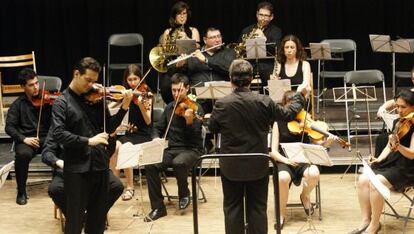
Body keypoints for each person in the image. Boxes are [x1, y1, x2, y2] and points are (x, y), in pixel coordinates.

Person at [209, 59, 307, 234]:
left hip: (231, 166)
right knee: (257, 208)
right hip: (257, 164)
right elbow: (288, 113)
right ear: (252, 79)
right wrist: (299, 95)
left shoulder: (221, 104)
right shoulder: (264, 101)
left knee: (232, 209)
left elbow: (212, 128)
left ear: (231, 79)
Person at [50, 57, 133, 234]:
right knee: (75, 221)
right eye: (88, 80)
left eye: (95, 81)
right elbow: (58, 133)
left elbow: (109, 127)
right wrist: (88, 141)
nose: (92, 85)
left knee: (97, 220)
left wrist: (124, 107)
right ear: (76, 74)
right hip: (77, 170)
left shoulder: (97, 99)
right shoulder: (61, 102)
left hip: (100, 166)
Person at [349, 89, 414, 234]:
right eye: (397, 106)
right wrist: (379, 158)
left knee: (376, 182)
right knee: (363, 179)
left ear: (413, 107)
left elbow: (411, 155)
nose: (399, 110)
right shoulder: (399, 121)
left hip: (407, 168)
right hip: (393, 163)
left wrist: (399, 147)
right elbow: (389, 145)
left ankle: (374, 224)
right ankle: (365, 220)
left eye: (403, 107)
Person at [144, 73, 204, 222]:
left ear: (187, 89)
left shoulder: (195, 107)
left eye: (180, 90)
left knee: (179, 163)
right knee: (150, 164)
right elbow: (157, 127)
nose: (176, 94)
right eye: (173, 90)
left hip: (192, 149)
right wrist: (156, 138)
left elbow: (197, 136)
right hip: (172, 149)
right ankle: (158, 207)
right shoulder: (170, 107)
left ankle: (184, 194)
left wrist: (190, 122)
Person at [270, 90, 334, 228]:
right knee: (282, 178)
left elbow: (319, 145)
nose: (296, 110)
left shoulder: (306, 121)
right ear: (285, 105)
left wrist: (328, 141)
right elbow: (273, 152)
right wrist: (286, 161)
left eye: (298, 107)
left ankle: (305, 196)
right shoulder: (278, 123)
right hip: (284, 160)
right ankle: (281, 215)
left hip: (304, 159)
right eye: (291, 106)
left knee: (314, 173)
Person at [41, 130, 123, 217]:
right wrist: (58, 161)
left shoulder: (95, 123)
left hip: (95, 168)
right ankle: (75, 216)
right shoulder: (59, 126)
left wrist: (112, 138)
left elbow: (108, 152)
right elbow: (47, 152)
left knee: (116, 186)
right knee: (55, 190)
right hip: (68, 170)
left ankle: (94, 215)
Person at [5, 68, 52, 205]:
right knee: (22, 155)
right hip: (27, 140)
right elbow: (9, 127)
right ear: (22, 87)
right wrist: (24, 139)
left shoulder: (49, 101)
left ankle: (59, 185)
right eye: (31, 85)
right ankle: (21, 191)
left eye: (37, 83)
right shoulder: (17, 105)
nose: (36, 87)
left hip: (47, 138)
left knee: (63, 148)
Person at [109, 64, 153, 201]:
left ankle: (130, 187)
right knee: (114, 146)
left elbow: (148, 121)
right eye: (130, 80)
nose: (133, 83)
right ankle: (114, 185)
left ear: (140, 78)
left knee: (124, 148)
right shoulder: (128, 93)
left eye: (135, 79)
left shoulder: (147, 94)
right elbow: (110, 107)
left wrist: (140, 105)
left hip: (145, 134)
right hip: (131, 134)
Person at [173, 27, 236, 113]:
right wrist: (179, 66)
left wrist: (206, 61)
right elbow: (180, 77)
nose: (217, 40)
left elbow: (229, 69)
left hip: (223, 99)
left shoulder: (229, 52)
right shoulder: (193, 54)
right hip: (198, 99)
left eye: (219, 36)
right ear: (205, 40)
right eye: (213, 37)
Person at [159, 1, 201, 105]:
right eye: (179, 14)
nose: (182, 17)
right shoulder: (167, 32)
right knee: (165, 84)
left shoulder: (193, 30)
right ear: (174, 16)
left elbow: (197, 48)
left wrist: (186, 38)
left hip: (189, 64)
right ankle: (170, 105)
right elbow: (165, 52)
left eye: (184, 14)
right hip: (174, 65)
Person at [239, 1, 282, 87]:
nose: (263, 18)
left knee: (270, 79)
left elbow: (277, 49)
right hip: (249, 64)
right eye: (261, 15)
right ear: (257, 14)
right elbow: (240, 50)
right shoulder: (247, 30)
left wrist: (264, 39)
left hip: (267, 65)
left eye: (266, 16)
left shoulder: (276, 31)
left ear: (271, 17)